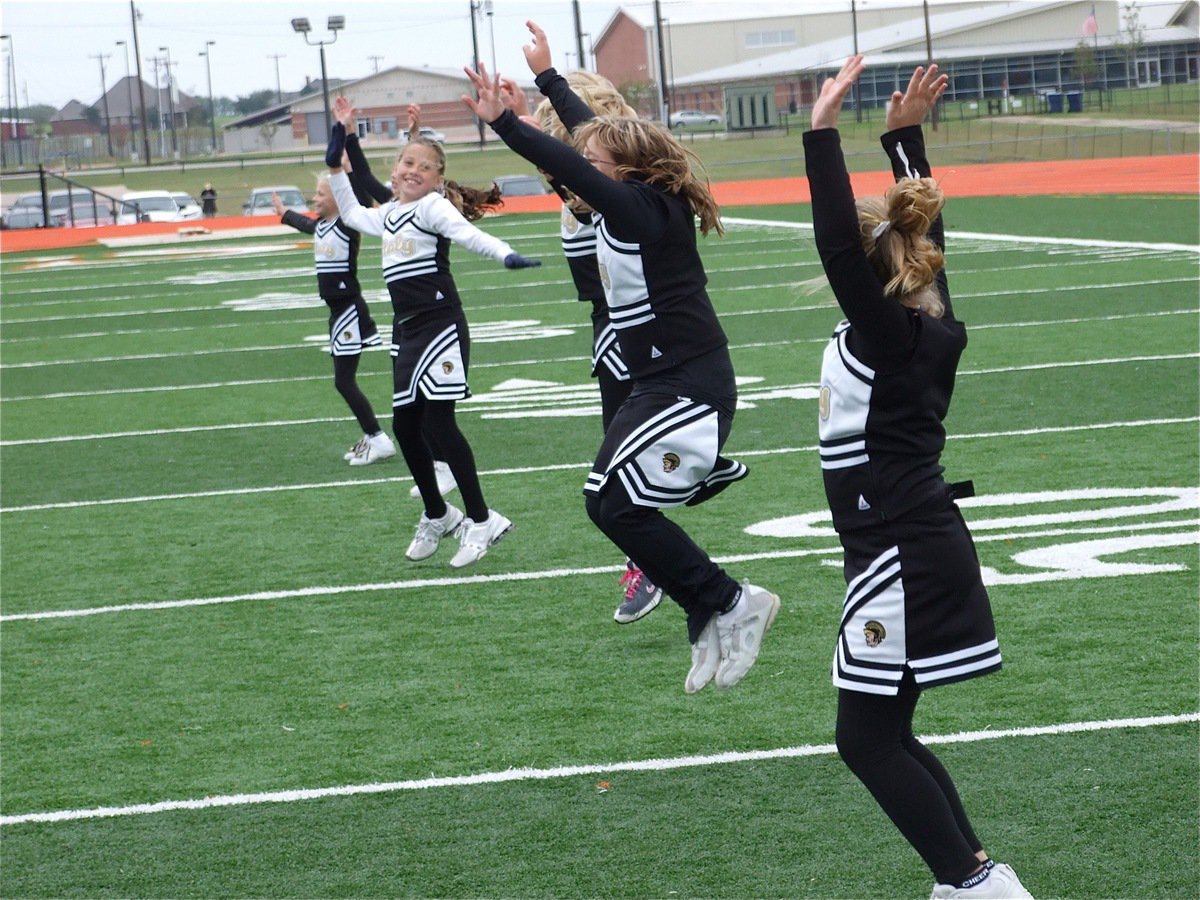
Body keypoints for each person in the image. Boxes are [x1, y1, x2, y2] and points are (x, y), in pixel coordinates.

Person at [463, 34, 779, 694]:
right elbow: (585, 138)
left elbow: (574, 163)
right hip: (660, 381)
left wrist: (505, 124)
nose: (582, 166)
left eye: (596, 161)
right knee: (609, 506)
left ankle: (730, 601)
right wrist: (548, 77)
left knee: (613, 504)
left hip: (688, 383)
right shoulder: (630, 190)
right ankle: (708, 608)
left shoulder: (641, 210)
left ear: (625, 169)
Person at [805, 57, 1033, 898]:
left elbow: (836, 240)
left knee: (865, 739)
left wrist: (823, 132)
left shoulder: (888, 334)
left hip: (898, 546)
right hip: (900, 540)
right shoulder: (923, 317)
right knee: (882, 732)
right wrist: (904, 141)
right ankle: (972, 875)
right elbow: (927, 235)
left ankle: (971, 880)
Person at [324, 99, 541, 568]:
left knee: (439, 423)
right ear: (395, 167)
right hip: (407, 332)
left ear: (438, 178)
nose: (413, 171)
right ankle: (439, 514)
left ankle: (482, 519)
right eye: (407, 162)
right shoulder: (386, 216)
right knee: (406, 425)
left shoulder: (434, 208)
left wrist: (505, 255)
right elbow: (348, 206)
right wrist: (338, 148)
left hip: (441, 326)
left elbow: (469, 236)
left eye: (425, 167)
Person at [519, 68, 663, 625]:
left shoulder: (621, 188)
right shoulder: (576, 194)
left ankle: (660, 568)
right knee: (613, 470)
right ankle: (656, 564)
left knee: (615, 473)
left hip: (646, 334)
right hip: (612, 334)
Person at [341, 101, 458, 500]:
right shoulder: (391, 208)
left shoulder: (424, 208)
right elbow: (372, 177)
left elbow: (375, 178)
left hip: (432, 313)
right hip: (403, 318)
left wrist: (410, 138)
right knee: (409, 398)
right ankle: (433, 462)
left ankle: (444, 466)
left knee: (431, 403)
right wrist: (352, 135)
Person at [272, 180, 394, 467]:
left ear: (340, 198)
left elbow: (359, 196)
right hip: (338, 314)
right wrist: (284, 212)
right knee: (343, 380)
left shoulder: (346, 225)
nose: (314, 198)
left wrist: (347, 158)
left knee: (343, 381)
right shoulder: (323, 226)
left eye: (320, 194)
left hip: (349, 311)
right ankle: (372, 435)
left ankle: (378, 438)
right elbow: (307, 225)